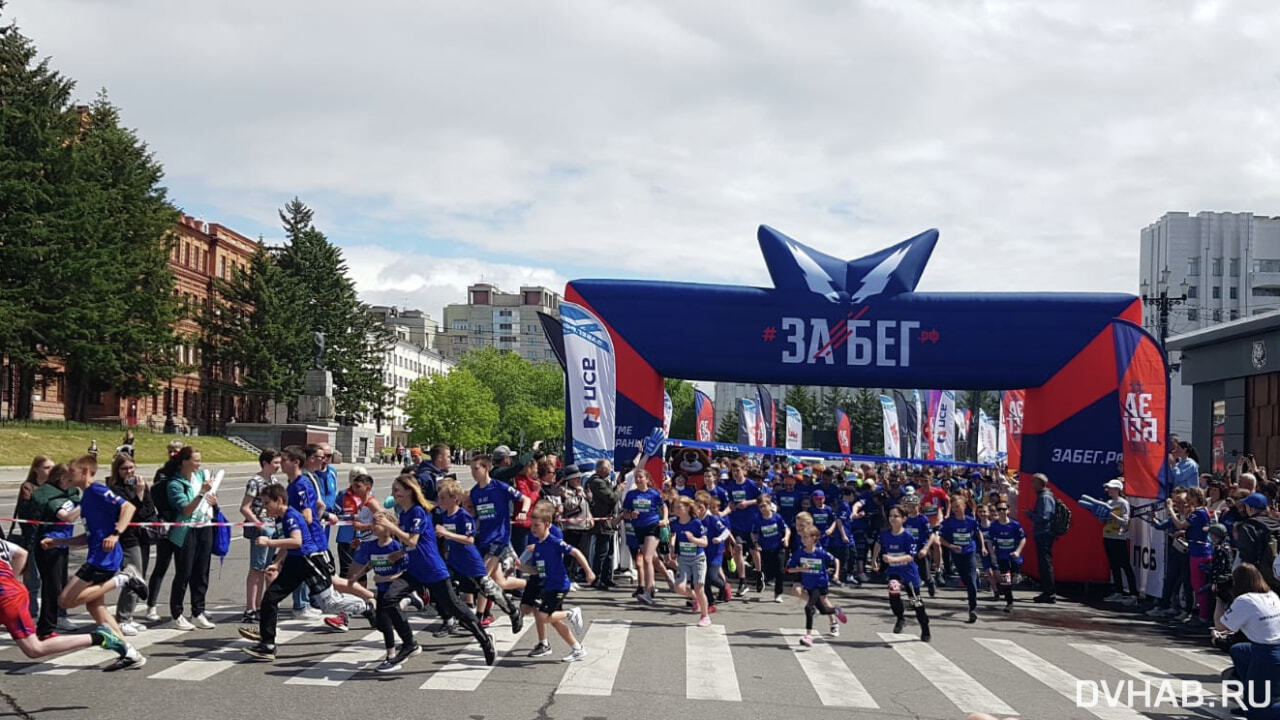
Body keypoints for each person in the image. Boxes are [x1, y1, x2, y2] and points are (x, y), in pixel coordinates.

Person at [39, 454, 150, 670]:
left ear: (87, 472)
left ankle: (125, 578)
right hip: (97, 554)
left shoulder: (98, 490)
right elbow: (88, 537)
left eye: (73, 471)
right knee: (96, 607)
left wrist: (116, 534)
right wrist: (58, 541)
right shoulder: (85, 498)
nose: (69, 475)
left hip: (104, 558)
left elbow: (129, 508)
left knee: (65, 601)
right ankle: (130, 652)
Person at [239, 484, 373, 662]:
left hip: (310, 560)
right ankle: (268, 644)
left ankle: (367, 607)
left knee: (329, 603)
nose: (265, 507)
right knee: (271, 598)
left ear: (279, 501)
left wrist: (269, 542)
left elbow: (296, 541)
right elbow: (289, 545)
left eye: (267, 503)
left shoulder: (290, 516)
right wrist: (277, 563)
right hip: (295, 562)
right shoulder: (282, 517)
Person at [374, 474, 496, 665]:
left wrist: (391, 526)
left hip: (432, 570)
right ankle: (409, 644)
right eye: (393, 488)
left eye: (398, 489)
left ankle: (484, 639)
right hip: (414, 570)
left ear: (409, 491)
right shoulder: (405, 514)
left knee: (456, 608)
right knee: (389, 600)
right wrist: (400, 553)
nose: (394, 492)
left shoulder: (418, 512)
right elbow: (414, 544)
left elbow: (412, 539)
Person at [0, 536, 135, 665]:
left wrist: (6, 586)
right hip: (11, 592)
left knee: (34, 649)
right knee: (33, 648)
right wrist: (11, 580)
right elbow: (21, 553)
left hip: (7, 598)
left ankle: (101, 637)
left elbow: (21, 554)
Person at [435, 478, 523, 636]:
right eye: (439, 497)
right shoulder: (445, 515)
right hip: (457, 560)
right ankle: (456, 620)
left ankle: (510, 612)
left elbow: (469, 539)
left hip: (472, 560)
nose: (439, 501)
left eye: (442, 497)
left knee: (487, 588)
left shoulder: (463, 516)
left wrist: (446, 533)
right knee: (446, 586)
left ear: (455, 499)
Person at [519, 504, 594, 662]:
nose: (533, 529)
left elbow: (575, 552)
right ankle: (577, 648)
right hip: (549, 586)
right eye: (532, 525)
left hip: (559, 585)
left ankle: (571, 613)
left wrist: (588, 570)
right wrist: (522, 567)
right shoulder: (538, 547)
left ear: (547, 525)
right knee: (554, 620)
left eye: (537, 525)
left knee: (543, 617)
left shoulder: (554, 542)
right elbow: (538, 571)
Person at [468, 454, 530, 626]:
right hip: (484, 539)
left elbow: (525, 498)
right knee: (498, 581)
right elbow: (474, 515)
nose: (473, 473)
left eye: (476, 469)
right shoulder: (474, 492)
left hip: (499, 537)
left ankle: (479, 616)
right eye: (471, 469)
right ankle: (532, 586)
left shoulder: (500, 487)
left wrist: (523, 511)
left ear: (486, 468)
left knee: (483, 577)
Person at [161, 446, 216, 630]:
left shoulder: (200, 476)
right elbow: (185, 509)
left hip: (204, 527)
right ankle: (176, 614)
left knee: (202, 572)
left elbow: (209, 499)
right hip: (185, 530)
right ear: (184, 461)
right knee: (184, 573)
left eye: (200, 460)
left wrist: (212, 500)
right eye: (196, 460)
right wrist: (201, 493)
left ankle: (198, 611)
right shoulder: (175, 484)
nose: (199, 464)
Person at [1216, 563, 1280, 720]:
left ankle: (1256, 705)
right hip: (1269, 648)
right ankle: (1250, 696)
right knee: (1239, 650)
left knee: (1257, 713)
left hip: (1268, 654)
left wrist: (1219, 599)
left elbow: (1220, 625)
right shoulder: (1271, 594)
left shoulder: (1245, 600)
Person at [350, 510, 411, 673]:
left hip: (393, 590)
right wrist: (356, 577)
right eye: (373, 523)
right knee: (381, 623)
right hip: (381, 590)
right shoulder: (371, 546)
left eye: (379, 524)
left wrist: (388, 578)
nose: (375, 527)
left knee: (385, 621)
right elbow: (369, 564)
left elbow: (406, 570)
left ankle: (391, 656)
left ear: (390, 527)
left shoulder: (396, 547)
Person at [107, 453, 155, 635]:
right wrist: (138, 496)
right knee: (133, 577)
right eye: (124, 469)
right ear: (117, 471)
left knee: (140, 577)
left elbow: (148, 511)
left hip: (142, 536)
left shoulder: (141, 485)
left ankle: (129, 616)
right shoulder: (115, 490)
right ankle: (123, 618)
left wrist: (142, 493)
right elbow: (129, 512)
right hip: (127, 538)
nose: (128, 472)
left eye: (131, 468)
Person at [31, 462, 79, 637]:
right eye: (70, 477)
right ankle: (46, 627)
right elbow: (66, 517)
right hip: (49, 545)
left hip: (62, 543)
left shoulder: (69, 494)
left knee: (60, 585)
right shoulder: (50, 495)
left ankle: (55, 620)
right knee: (52, 587)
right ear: (61, 478)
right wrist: (85, 505)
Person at [143, 440, 186, 622]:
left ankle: (180, 607)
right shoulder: (162, 473)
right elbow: (155, 497)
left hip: (183, 522)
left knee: (184, 567)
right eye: (170, 450)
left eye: (176, 450)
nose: (173, 453)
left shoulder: (185, 472)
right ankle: (151, 605)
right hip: (167, 521)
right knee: (161, 565)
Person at [875, 505, 932, 641]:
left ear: (903, 519)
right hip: (894, 571)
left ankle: (925, 628)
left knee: (916, 602)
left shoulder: (908, 536)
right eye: (891, 516)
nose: (892, 519)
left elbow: (910, 557)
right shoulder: (885, 534)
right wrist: (873, 561)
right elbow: (878, 545)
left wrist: (893, 559)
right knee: (893, 591)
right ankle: (900, 618)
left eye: (896, 516)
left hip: (909, 573)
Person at [238, 448, 281, 623]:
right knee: (256, 569)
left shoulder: (274, 480)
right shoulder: (255, 482)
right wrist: (259, 524)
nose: (278, 466)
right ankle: (250, 608)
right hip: (261, 529)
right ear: (265, 463)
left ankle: (261, 605)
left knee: (267, 568)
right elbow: (245, 507)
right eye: (275, 463)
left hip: (273, 529)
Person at [787, 525, 846, 647]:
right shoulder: (799, 553)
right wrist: (800, 568)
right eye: (802, 537)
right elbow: (788, 569)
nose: (803, 540)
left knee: (808, 608)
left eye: (806, 537)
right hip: (808, 584)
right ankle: (836, 610)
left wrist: (836, 574)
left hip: (820, 584)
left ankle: (808, 636)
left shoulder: (820, 552)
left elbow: (836, 560)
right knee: (824, 610)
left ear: (814, 538)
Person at [9, 455, 52, 619]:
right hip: (32, 539)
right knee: (33, 579)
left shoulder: (54, 488)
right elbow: (25, 512)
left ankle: (49, 612)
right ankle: (31, 611)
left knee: (49, 578)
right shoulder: (28, 487)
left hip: (50, 539)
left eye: (52, 468)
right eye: (47, 468)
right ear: (36, 469)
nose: (50, 471)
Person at [622, 468, 666, 606]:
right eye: (636, 477)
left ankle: (648, 591)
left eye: (641, 477)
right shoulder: (631, 495)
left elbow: (663, 506)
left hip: (652, 526)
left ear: (647, 479)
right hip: (638, 528)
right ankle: (667, 579)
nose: (638, 479)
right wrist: (631, 515)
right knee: (652, 559)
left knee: (647, 559)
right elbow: (625, 513)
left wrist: (665, 519)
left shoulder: (653, 494)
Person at [939, 492, 983, 624]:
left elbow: (978, 532)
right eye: (953, 507)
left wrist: (983, 547)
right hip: (957, 554)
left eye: (958, 506)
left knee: (970, 581)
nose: (955, 509)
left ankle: (972, 609)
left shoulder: (971, 521)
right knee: (964, 578)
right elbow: (940, 538)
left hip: (969, 552)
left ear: (964, 507)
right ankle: (974, 575)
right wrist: (951, 546)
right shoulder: (948, 523)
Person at [668, 496, 711, 626]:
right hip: (683, 559)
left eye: (679, 507)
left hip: (698, 559)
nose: (676, 510)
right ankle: (695, 598)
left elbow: (705, 543)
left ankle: (705, 616)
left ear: (687, 508)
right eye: (674, 507)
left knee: (699, 588)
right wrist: (672, 547)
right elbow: (673, 534)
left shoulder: (696, 523)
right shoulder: (674, 522)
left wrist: (693, 540)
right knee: (679, 587)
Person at [1100, 478, 1138, 606]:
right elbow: (1104, 520)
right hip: (1107, 535)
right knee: (1113, 565)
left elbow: (1126, 521)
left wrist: (1112, 516)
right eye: (1108, 488)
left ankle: (1133, 594)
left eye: (1111, 488)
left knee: (1125, 565)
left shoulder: (1123, 503)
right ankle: (1118, 591)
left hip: (1119, 537)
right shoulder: (1109, 502)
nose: (1108, 490)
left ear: (1118, 490)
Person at [587, 460, 623, 590]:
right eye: (608, 468)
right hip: (602, 522)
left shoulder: (603, 481)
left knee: (609, 552)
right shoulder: (596, 482)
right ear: (602, 469)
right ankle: (596, 578)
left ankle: (606, 577)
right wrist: (619, 490)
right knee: (602, 551)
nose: (610, 470)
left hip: (608, 522)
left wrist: (616, 486)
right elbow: (611, 498)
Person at [1235, 492, 1280, 593]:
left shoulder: (1247, 527)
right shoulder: (1276, 523)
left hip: (1260, 580)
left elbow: (1247, 557)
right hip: (1277, 576)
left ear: (1251, 508)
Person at [987, 500, 1026, 612]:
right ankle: (1009, 603)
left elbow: (1023, 538)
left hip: (1014, 557)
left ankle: (1017, 574)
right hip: (1002, 556)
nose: (1002, 511)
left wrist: (1018, 551)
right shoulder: (994, 526)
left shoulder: (1015, 525)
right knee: (1006, 580)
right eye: (999, 509)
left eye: (1004, 509)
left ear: (1008, 510)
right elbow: (989, 540)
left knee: (1014, 578)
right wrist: (992, 554)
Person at [752, 495, 790, 603]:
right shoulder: (758, 519)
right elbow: (754, 533)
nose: (763, 509)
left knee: (780, 570)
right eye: (760, 507)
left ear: (769, 505)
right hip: (766, 548)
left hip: (778, 547)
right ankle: (764, 578)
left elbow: (786, 529)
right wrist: (756, 543)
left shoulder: (777, 517)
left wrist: (786, 538)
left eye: (764, 506)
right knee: (770, 571)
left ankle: (778, 593)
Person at [1026, 473, 1057, 603]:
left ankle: (1049, 592)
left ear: (1039, 483)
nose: (1032, 485)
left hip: (1044, 534)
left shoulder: (1045, 498)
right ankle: (1047, 590)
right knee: (1043, 563)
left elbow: (1045, 517)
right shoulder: (1044, 497)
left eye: (1034, 482)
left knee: (1045, 563)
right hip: (1042, 533)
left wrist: (1031, 515)